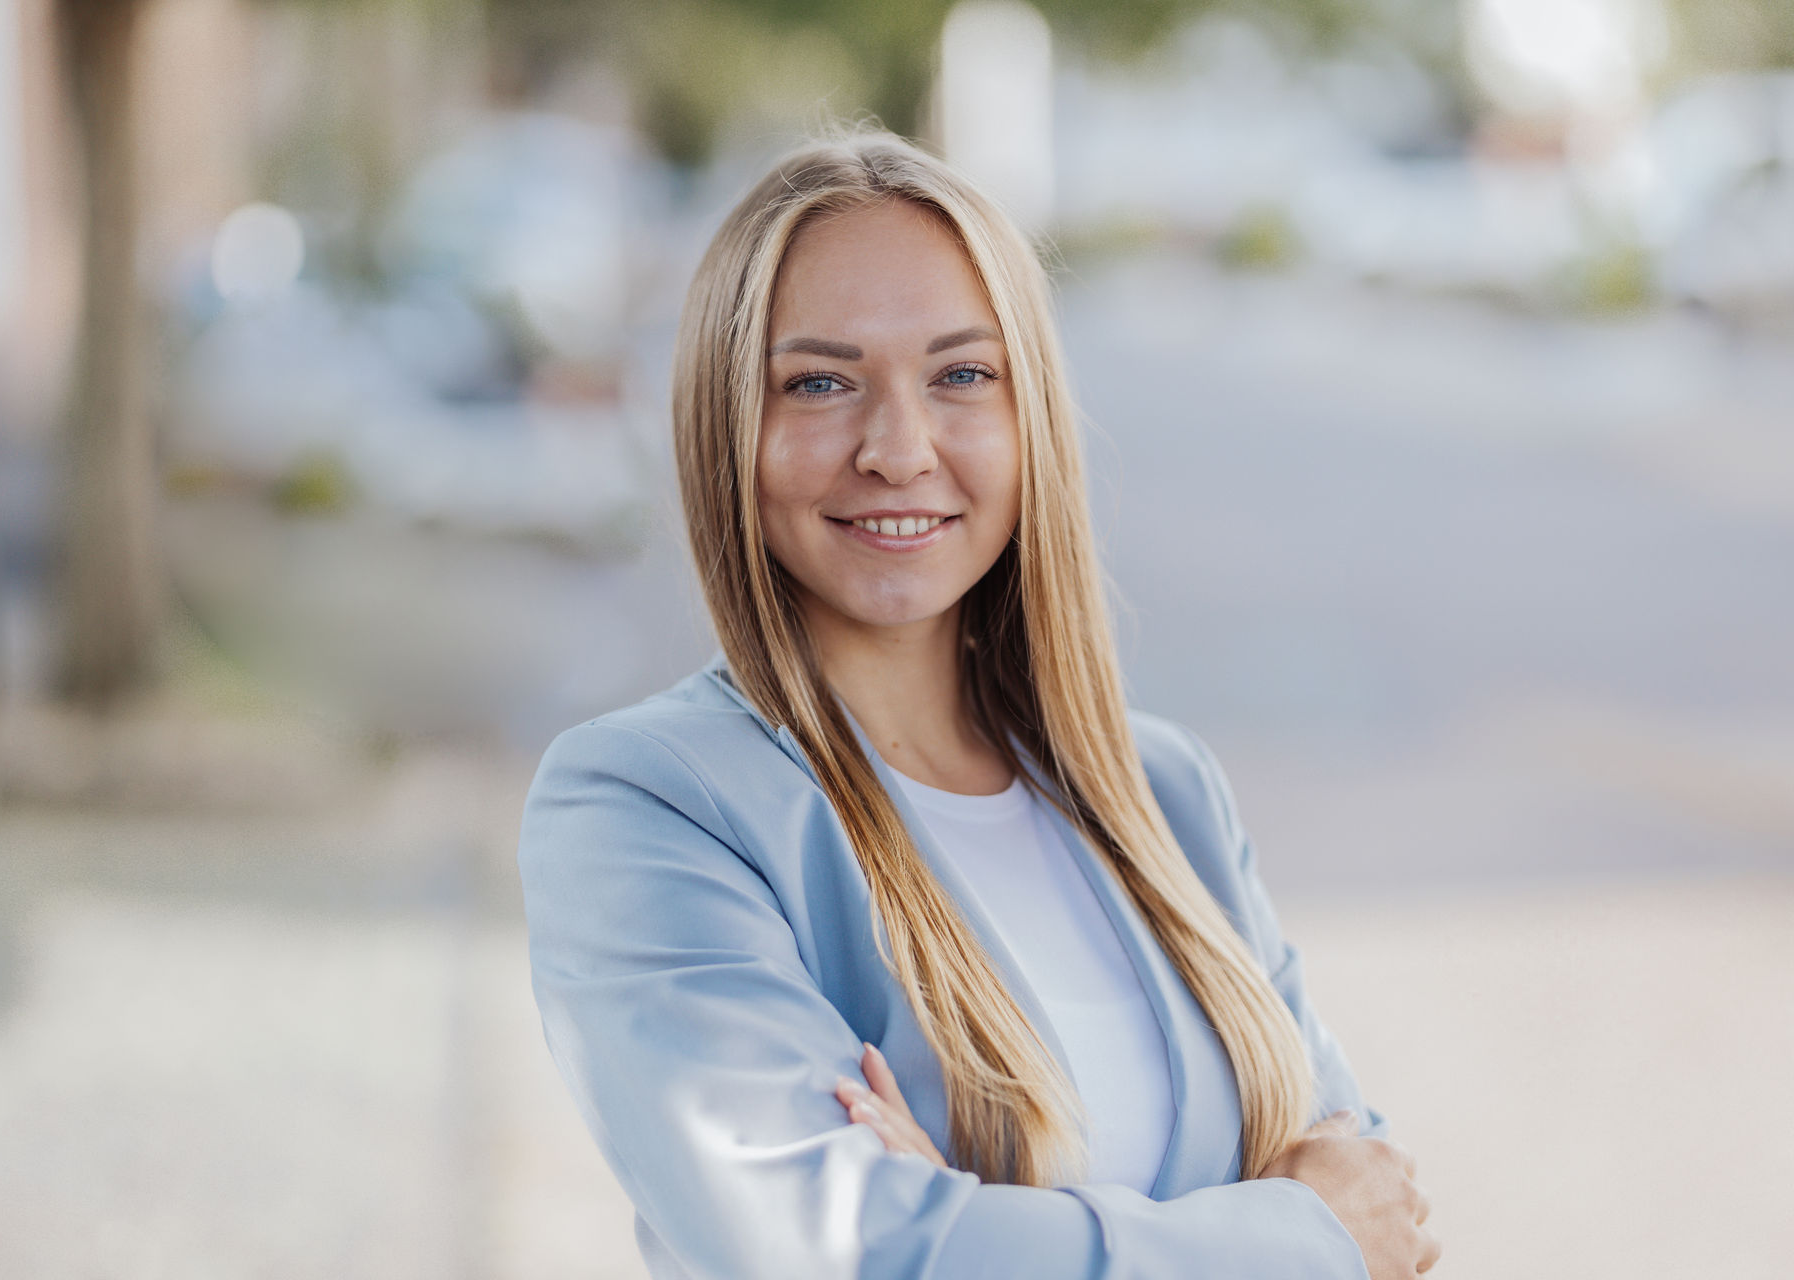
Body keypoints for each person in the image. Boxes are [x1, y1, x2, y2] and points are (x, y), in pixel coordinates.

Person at [516, 131, 1440, 1280]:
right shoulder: (647, 805)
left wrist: (973, 1223)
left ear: (1029, 415)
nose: (899, 449)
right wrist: (1293, 1235)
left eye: (961, 375)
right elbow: (851, 1252)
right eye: (819, 382)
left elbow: (1376, 1200)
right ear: (728, 425)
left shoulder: (1166, 792)